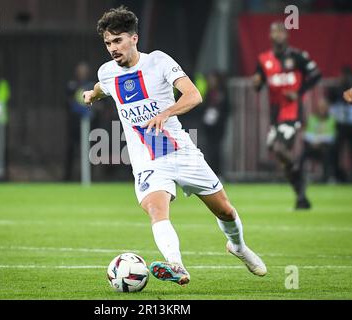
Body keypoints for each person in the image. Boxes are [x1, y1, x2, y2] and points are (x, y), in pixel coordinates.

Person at [83, 6, 266, 286]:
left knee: (225, 211)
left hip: (180, 151)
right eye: (108, 43)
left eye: (118, 40)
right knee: (157, 209)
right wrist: (91, 95)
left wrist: (166, 113)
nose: (112, 48)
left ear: (134, 38)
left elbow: (194, 95)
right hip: (147, 159)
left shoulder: (158, 61)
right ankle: (176, 265)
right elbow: (101, 86)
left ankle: (238, 247)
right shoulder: (107, 72)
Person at [253, 22, 321, 210]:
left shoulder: (298, 56)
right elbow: (257, 85)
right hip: (275, 115)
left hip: (292, 111)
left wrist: (299, 92)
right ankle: (301, 196)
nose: (279, 35)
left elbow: (316, 74)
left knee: (280, 149)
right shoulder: (263, 59)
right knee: (282, 158)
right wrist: (256, 83)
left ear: (287, 35)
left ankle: (299, 178)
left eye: (282, 31)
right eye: (275, 31)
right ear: (270, 36)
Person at [329, 67, 352, 182]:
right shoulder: (336, 89)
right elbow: (332, 98)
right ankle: (335, 174)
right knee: (336, 150)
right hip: (340, 123)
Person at [65, 62, 94, 181]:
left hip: (90, 124)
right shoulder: (72, 85)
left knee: (91, 150)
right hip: (74, 123)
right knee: (72, 149)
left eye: (84, 71)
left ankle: (90, 177)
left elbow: (100, 103)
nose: (82, 73)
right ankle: (68, 177)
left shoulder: (92, 85)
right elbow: (67, 102)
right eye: (80, 71)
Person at [299, 98, 336, 183]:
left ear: (327, 109)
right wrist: (314, 141)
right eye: (320, 107)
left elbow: (331, 136)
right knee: (302, 156)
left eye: (324, 107)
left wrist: (319, 141)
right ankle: (299, 177)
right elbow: (307, 134)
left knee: (328, 153)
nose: (322, 109)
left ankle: (326, 178)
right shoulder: (312, 119)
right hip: (312, 146)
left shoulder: (331, 119)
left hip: (324, 147)